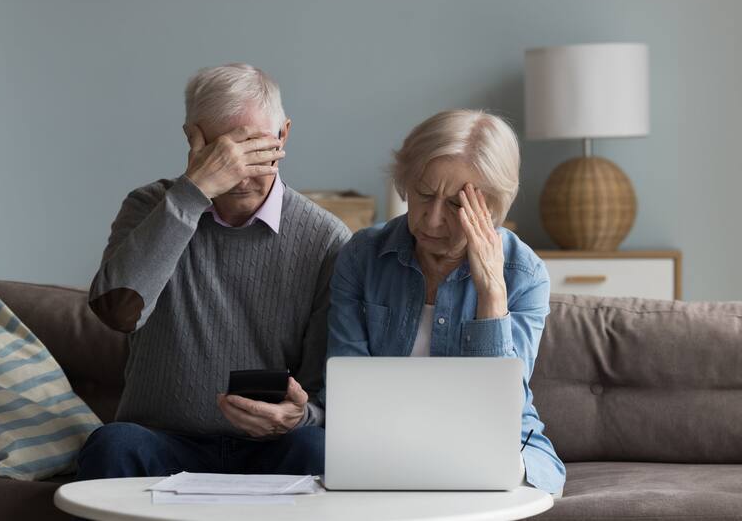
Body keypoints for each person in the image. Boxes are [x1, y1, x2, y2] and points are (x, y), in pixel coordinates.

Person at [76, 63, 350, 479]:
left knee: (316, 448)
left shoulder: (326, 239)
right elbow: (118, 314)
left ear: (284, 135)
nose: (237, 170)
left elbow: (322, 394)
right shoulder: (149, 206)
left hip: (269, 449)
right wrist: (193, 192)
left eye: (253, 147)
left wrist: (298, 416)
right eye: (222, 151)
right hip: (161, 442)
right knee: (113, 443)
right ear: (192, 139)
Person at [323, 109, 566, 497]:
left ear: (494, 207)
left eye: (456, 205)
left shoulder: (524, 273)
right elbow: (344, 386)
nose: (431, 220)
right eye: (423, 194)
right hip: (380, 443)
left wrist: (492, 292)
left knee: (505, 474)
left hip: (494, 445)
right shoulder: (363, 256)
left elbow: (498, 410)